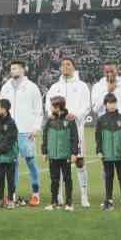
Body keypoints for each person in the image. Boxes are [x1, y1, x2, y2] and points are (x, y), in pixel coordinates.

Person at [45, 58, 91, 208]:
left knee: (79, 161)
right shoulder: (54, 87)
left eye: (68, 64)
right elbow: (47, 105)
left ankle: (84, 196)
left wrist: (76, 114)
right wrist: (50, 113)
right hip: (57, 130)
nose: (65, 67)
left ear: (74, 67)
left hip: (75, 128)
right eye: (63, 65)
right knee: (57, 162)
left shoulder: (82, 86)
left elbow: (87, 106)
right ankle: (58, 196)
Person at [0, 60, 44, 206]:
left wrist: (36, 127)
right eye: (11, 68)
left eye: (16, 68)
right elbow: (1, 110)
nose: (13, 70)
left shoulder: (32, 87)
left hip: (26, 131)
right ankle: (13, 194)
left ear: (23, 70)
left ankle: (35, 193)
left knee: (30, 161)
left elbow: (38, 109)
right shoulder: (5, 87)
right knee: (13, 163)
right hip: (10, 132)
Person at [40, 96, 80, 211]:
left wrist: (74, 153)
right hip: (53, 155)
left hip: (66, 155)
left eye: (52, 105)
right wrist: (44, 152)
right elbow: (45, 136)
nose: (50, 107)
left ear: (59, 107)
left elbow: (75, 138)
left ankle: (69, 203)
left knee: (67, 179)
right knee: (54, 180)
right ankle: (54, 202)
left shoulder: (69, 120)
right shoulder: (50, 120)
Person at [94, 92, 121, 211]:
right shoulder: (101, 120)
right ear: (105, 104)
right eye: (109, 103)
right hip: (107, 155)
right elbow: (98, 137)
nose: (112, 105)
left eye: (114, 103)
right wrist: (99, 151)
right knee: (108, 177)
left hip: (120, 155)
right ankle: (108, 200)